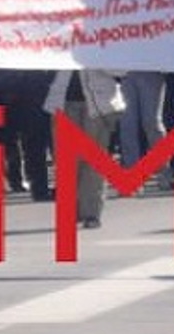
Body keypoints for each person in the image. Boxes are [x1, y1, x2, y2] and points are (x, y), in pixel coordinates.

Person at [42, 68, 124, 230]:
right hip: (62, 102)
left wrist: (99, 59)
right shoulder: (59, 44)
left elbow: (122, 70)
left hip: (99, 104)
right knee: (67, 162)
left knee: (94, 162)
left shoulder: (106, 43)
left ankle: (91, 213)